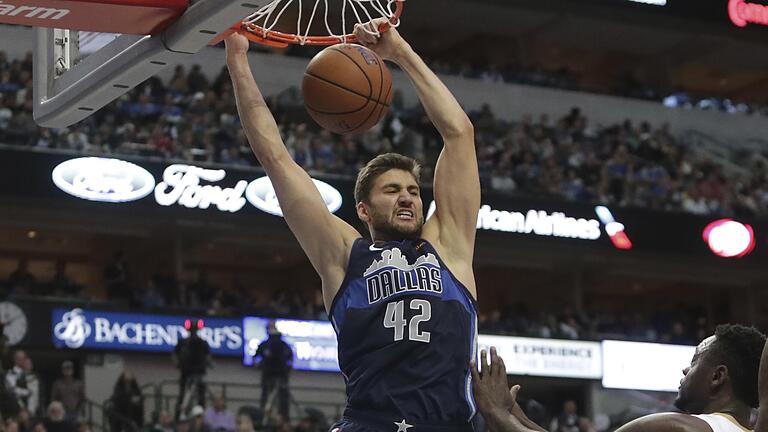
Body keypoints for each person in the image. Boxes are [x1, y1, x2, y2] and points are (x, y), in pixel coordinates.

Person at [225, 13, 480, 432]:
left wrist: (399, 53)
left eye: (414, 191)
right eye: (392, 190)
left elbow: (459, 134)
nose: (407, 197)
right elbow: (276, 159)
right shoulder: (345, 254)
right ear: (363, 209)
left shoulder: (448, 244)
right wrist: (238, 60)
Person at [472, 324, 766, 432]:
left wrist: (497, 413)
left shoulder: (678, 428)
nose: (685, 371)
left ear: (717, 376)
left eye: (694, 362)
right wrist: (513, 414)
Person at [253, 321, 292, 420]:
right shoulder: (264, 345)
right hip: (268, 374)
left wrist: (287, 368)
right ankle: (263, 417)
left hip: (281, 374)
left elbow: (290, 358)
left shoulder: (283, 345)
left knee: (283, 397)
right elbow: (255, 356)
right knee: (266, 396)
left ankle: (283, 418)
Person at [173, 320, 211, 418]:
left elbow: (207, 357)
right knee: (183, 396)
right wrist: (178, 363)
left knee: (200, 398)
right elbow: (175, 355)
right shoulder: (182, 342)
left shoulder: (202, 343)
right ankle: (179, 416)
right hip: (186, 373)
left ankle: (200, 418)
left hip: (198, 373)